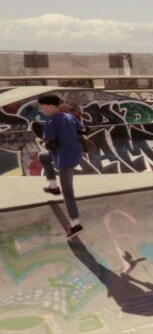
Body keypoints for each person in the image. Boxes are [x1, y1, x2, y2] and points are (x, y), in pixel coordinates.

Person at [37, 94, 85, 238]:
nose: (40, 109)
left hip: (65, 159)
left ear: (50, 106)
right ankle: (53, 186)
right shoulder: (68, 116)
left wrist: (44, 142)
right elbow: (82, 129)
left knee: (68, 193)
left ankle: (75, 224)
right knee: (43, 156)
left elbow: (49, 141)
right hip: (75, 153)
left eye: (41, 106)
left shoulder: (51, 121)